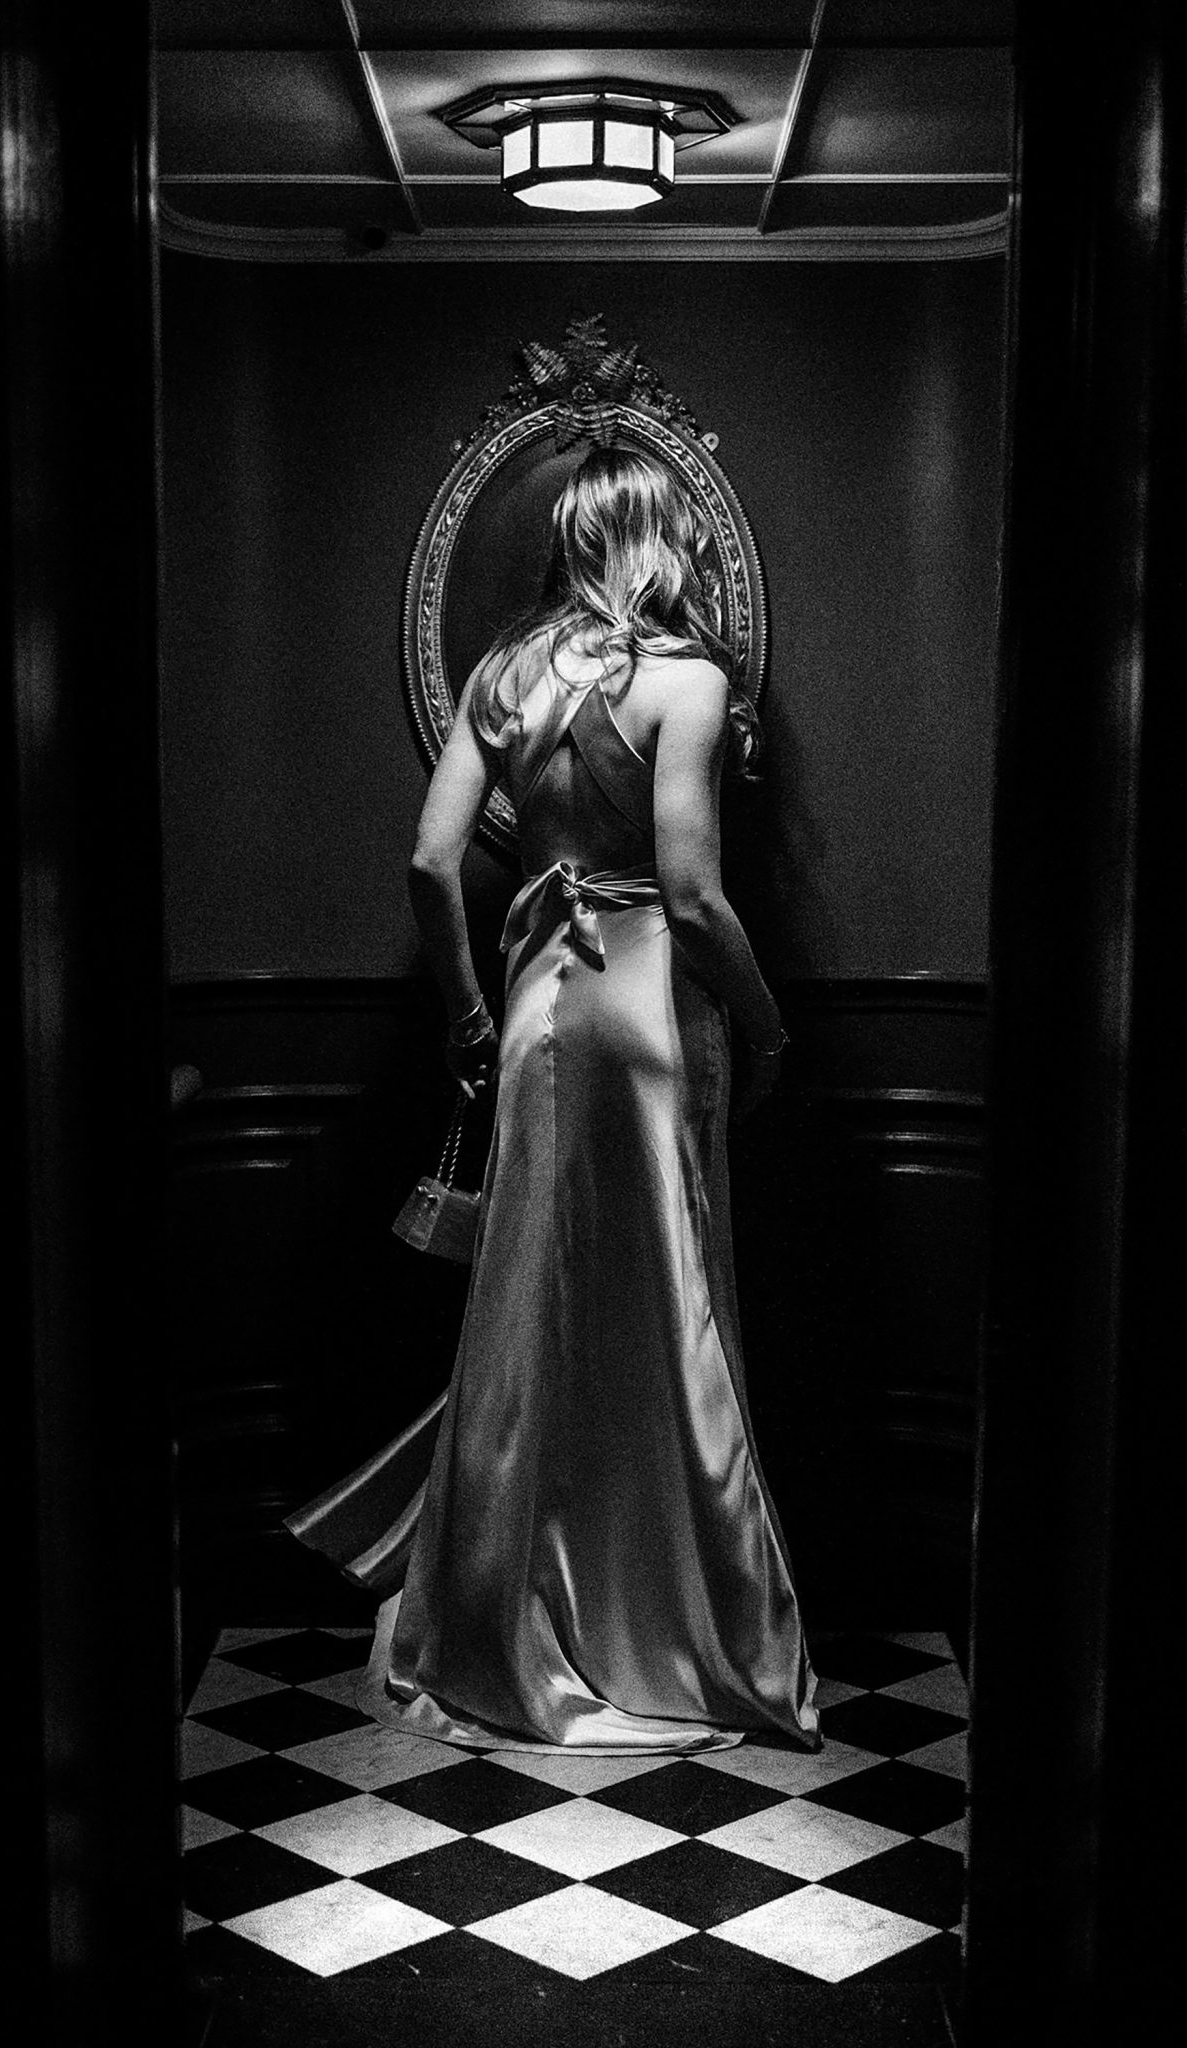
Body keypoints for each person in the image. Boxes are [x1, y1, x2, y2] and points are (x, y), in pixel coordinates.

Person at [291, 445, 819, 1755]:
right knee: (667, 1311)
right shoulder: (688, 682)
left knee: (531, 1311)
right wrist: (766, 1030)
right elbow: (691, 893)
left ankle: (499, 1620)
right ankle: (669, 1626)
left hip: (537, 1012)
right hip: (650, 1016)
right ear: (654, 540)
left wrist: (469, 1010)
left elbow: (431, 860)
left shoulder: (504, 676)